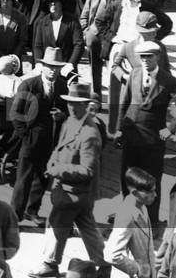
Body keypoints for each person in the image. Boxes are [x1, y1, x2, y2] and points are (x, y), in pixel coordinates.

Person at [28, 83, 109, 278]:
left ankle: (49, 264)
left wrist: (59, 170)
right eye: (70, 103)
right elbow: (59, 149)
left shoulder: (90, 133)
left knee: (56, 225)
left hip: (74, 193)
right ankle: (104, 265)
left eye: (77, 104)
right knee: (87, 227)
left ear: (87, 104)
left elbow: (87, 170)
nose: (72, 107)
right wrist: (51, 163)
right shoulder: (70, 122)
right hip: (70, 191)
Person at [116, 39, 176, 225]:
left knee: (152, 182)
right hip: (131, 138)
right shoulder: (134, 74)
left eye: (149, 56)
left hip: (153, 142)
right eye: (142, 56)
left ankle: (151, 223)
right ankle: (127, 218)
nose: (144, 59)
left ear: (158, 57)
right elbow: (124, 103)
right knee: (127, 179)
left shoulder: (168, 80)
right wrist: (119, 130)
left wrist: (170, 128)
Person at [10, 47, 69, 225]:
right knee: (23, 179)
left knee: (43, 177)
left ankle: (32, 211)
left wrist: (63, 115)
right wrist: (25, 136)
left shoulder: (61, 84)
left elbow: (66, 108)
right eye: (49, 67)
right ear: (42, 66)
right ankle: (14, 216)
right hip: (29, 139)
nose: (53, 71)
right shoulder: (28, 85)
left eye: (56, 67)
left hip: (50, 139)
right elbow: (15, 114)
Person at [104, 167, 157, 278]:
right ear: (135, 193)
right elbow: (111, 255)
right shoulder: (126, 216)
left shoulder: (142, 206)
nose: (155, 195)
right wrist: (137, 269)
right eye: (150, 192)